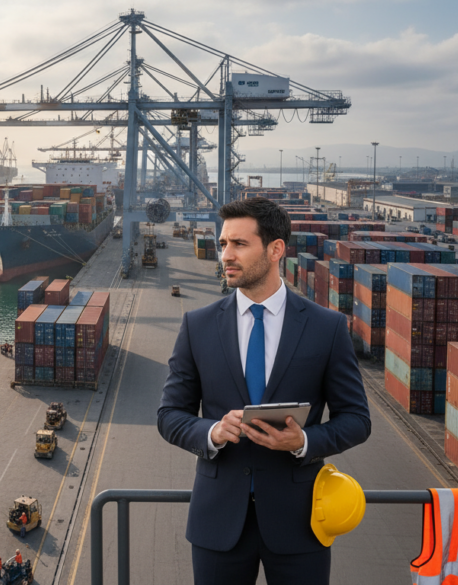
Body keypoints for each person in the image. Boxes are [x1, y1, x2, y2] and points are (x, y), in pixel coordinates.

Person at [158, 197, 371, 585]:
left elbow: (357, 420)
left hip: (300, 524)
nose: (226, 254)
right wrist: (212, 432)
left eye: (239, 244)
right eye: (223, 244)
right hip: (216, 523)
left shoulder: (327, 328)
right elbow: (169, 415)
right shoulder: (197, 326)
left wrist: (302, 441)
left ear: (276, 250)